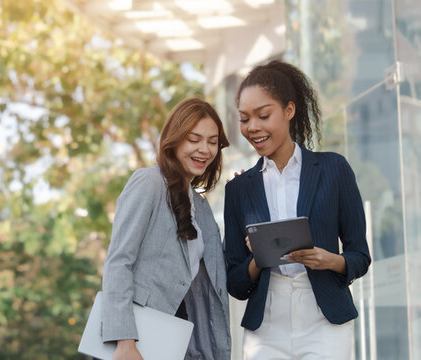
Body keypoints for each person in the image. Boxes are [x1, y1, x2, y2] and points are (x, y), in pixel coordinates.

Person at [224, 60, 372, 359]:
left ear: (289, 111)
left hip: (324, 320)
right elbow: (236, 284)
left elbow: (360, 256)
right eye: (243, 119)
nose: (252, 127)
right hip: (265, 327)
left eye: (263, 115)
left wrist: (331, 260)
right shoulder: (238, 189)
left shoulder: (334, 169)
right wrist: (258, 259)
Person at [101, 98, 232, 360]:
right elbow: (119, 262)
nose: (204, 149)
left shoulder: (202, 208)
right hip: (137, 340)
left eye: (212, 141)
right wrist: (125, 341)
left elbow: (214, 277)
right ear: (175, 140)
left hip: (183, 340)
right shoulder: (149, 182)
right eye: (194, 139)